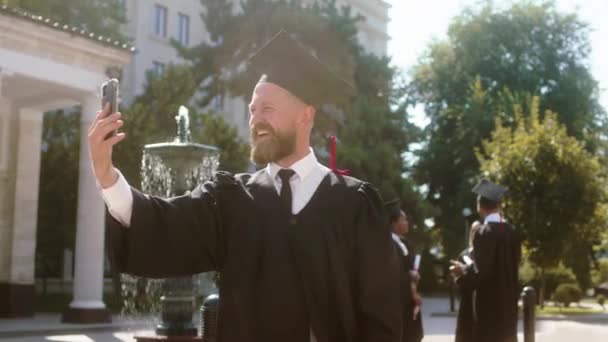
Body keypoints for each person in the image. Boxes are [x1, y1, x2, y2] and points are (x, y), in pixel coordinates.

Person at [88, 30, 402, 342]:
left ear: (305, 115)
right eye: (252, 110)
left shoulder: (353, 203)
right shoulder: (231, 200)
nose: (255, 120)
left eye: (268, 109)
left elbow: (380, 317)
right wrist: (107, 175)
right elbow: (164, 222)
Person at [449, 180, 521, 342]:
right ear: (499, 205)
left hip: (489, 307)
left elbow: (481, 273)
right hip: (508, 305)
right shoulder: (511, 232)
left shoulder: (483, 232)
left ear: (479, 206)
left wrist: (462, 271)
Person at [386, 200, 424, 342]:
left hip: (409, 300)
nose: (407, 222)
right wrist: (410, 277)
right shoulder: (389, 245)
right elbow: (395, 273)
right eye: (404, 219)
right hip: (400, 302)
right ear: (394, 224)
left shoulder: (403, 243)